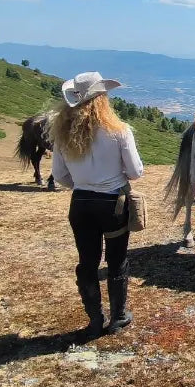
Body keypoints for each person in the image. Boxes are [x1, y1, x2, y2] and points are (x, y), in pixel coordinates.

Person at [49, 71, 145, 339]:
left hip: (80, 204)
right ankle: (118, 316)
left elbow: (59, 176)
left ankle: (94, 320)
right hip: (113, 204)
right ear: (101, 98)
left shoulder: (62, 133)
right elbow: (136, 172)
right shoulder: (119, 131)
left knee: (87, 261)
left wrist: (83, 183)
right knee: (117, 260)